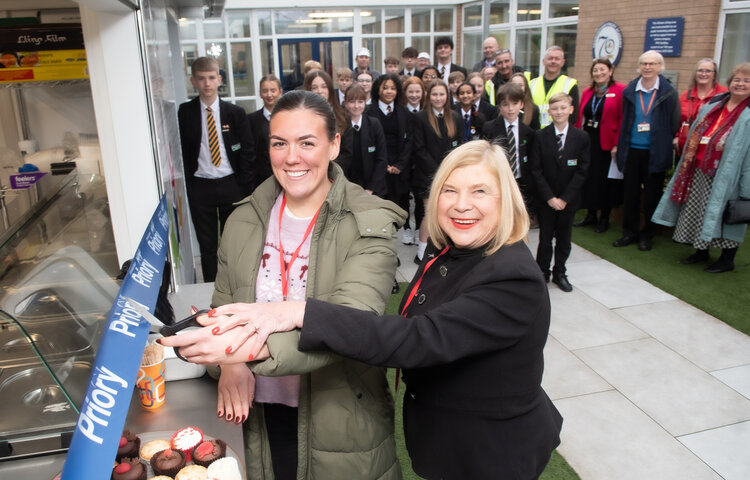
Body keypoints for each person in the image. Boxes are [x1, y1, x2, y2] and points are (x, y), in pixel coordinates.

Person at [163, 140, 563, 480]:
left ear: (506, 200)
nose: (461, 205)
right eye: (449, 191)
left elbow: (416, 338)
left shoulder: (512, 279)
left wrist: (297, 312)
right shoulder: (454, 253)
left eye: (479, 192)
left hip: (490, 452)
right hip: (450, 441)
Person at [165, 90, 405, 480]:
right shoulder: (243, 219)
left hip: (339, 413)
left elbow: (351, 319)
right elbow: (223, 308)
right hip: (256, 413)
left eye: (307, 143)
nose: (292, 157)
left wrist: (237, 352)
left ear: (334, 145)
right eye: (280, 144)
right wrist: (230, 362)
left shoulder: (370, 221)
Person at [653, 62, 750, 273]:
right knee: (698, 211)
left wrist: (746, 189)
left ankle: (727, 259)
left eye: (746, 81)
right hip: (699, 169)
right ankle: (701, 251)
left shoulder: (748, 113)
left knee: (727, 215)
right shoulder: (716, 103)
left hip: (728, 175)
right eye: (737, 80)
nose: (740, 84)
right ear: (729, 82)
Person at [178, 56, 256, 282]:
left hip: (231, 184)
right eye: (201, 79)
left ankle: (236, 283)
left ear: (219, 79)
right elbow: (182, 149)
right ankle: (211, 287)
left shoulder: (235, 113)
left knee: (235, 241)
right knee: (207, 244)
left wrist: (243, 185)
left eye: (211, 78)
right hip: (201, 186)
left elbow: (248, 150)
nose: (207, 83)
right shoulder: (185, 113)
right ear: (193, 81)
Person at [613, 50, 680, 251]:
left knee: (652, 196)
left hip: (655, 152)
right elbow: (624, 120)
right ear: (639, 66)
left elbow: (674, 121)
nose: (648, 67)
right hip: (632, 150)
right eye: (644, 63)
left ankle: (647, 235)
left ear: (660, 67)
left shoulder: (669, 92)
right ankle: (630, 233)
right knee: (631, 194)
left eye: (652, 64)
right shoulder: (629, 91)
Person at [531, 92, 590, 292]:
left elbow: (582, 171)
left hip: (568, 200)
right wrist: (549, 197)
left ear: (571, 110)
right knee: (545, 238)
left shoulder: (581, 137)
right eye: (555, 108)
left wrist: (564, 198)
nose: (559, 112)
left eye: (563, 108)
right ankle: (542, 272)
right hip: (546, 200)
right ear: (549, 111)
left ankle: (560, 272)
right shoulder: (540, 136)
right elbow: (536, 170)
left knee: (564, 238)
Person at [412, 80, 464, 263]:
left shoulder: (455, 117)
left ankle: (445, 248)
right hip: (428, 176)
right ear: (428, 96)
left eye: (442, 94)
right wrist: (438, 172)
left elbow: (461, 146)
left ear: (447, 96)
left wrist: (451, 171)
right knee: (430, 212)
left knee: (449, 212)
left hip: (452, 175)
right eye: (434, 94)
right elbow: (419, 149)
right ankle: (422, 252)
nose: (438, 98)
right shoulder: (420, 118)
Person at [573, 58, 626, 233]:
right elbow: (582, 116)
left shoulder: (619, 90)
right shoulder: (589, 92)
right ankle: (590, 214)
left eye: (602, 70)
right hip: (589, 141)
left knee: (606, 181)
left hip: (607, 144)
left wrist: (617, 144)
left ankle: (604, 218)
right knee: (590, 179)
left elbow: (622, 120)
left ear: (611, 71)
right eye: (595, 70)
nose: (599, 73)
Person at [484, 83, 537, 220]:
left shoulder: (528, 132)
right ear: (500, 106)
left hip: (520, 181)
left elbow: (531, 159)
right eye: (505, 104)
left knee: (518, 217)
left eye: (515, 103)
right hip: (498, 180)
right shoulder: (490, 128)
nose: (510, 109)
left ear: (522, 104)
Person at [368, 74, 412, 231]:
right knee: (379, 208)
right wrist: (383, 165)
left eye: (393, 88)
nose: (389, 91)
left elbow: (409, 141)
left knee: (398, 206)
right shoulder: (369, 111)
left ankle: (400, 233)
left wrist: (399, 165)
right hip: (377, 165)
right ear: (378, 89)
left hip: (398, 168)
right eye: (385, 88)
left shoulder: (404, 112)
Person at [337, 83, 388, 197]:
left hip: (373, 190)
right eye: (352, 102)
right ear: (345, 103)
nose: (356, 106)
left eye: (360, 102)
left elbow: (382, 159)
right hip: (347, 189)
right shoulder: (340, 127)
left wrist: (370, 189)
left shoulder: (374, 124)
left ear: (365, 103)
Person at [675, 58, 728, 156]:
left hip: (710, 148)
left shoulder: (724, 95)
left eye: (708, 71)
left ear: (714, 74)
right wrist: (677, 137)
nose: (703, 74)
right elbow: (679, 119)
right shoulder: (686, 95)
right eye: (700, 70)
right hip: (686, 147)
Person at [402, 76, 427, 245]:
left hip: (421, 162)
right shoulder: (401, 111)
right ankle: (406, 228)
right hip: (404, 162)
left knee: (420, 198)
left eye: (417, 91)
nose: (414, 95)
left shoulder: (426, 110)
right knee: (403, 196)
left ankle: (419, 226)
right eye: (410, 91)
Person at [529, 46, 579, 127]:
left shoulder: (570, 84)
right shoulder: (531, 84)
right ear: (543, 61)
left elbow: (573, 115)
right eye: (550, 58)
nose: (553, 61)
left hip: (558, 134)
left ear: (562, 62)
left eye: (557, 59)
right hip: (534, 133)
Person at [248, 74, 283, 186]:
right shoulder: (251, 120)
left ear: (280, 92)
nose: (269, 95)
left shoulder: (289, 118)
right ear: (260, 93)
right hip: (260, 180)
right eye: (265, 91)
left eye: (273, 90)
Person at [302, 69, 347, 134]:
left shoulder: (343, 117)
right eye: (314, 88)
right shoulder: (301, 118)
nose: (320, 91)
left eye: (324, 87)